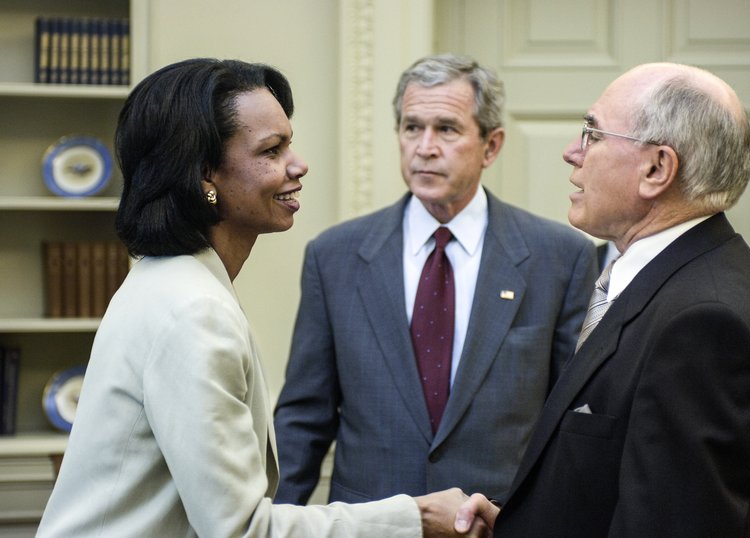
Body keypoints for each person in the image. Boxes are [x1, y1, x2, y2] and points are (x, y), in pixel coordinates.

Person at [36, 58, 489, 538]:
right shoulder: (194, 310)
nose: (299, 164)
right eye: (272, 150)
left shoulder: (173, 283)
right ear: (204, 176)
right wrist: (415, 519)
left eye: (288, 143)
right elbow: (241, 531)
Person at [455, 62, 750, 536]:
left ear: (656, 168)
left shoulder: (702, 322)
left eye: (592, 133)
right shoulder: (668, 278)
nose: (572, 153)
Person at [272, 53, 597, 506]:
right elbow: (304, 419)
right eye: (411, 127)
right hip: (371, 527)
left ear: (492, 145)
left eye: (446, 128)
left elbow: (570, 423)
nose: (425, 146)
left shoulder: (561, 258)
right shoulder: (335, 257)